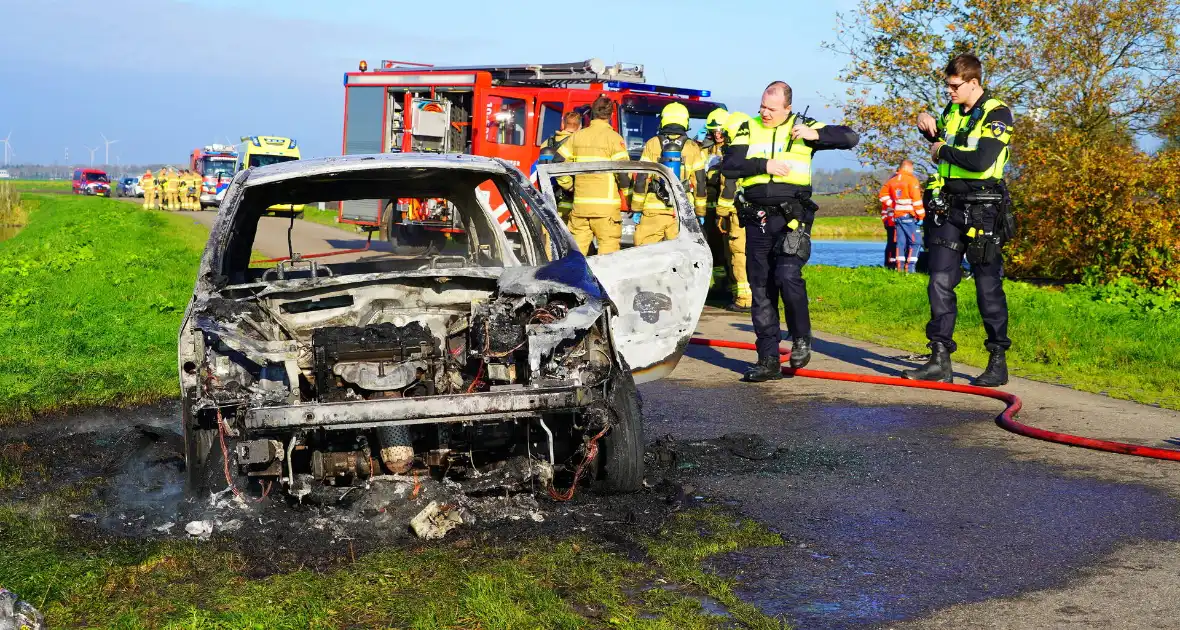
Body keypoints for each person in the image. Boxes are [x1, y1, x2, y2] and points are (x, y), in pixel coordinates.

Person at [722, 81, 859, 382]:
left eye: (771, 109)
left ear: (787, 108)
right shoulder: (748, 127)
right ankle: (768, 359)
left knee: (787, 276)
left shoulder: (803, 126)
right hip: (756, 219)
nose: (764, 113)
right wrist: (764, 164)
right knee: (761, 290)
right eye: (762, 106)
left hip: (791, 218)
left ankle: (801, 338)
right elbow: (730, 166)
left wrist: (817, 135)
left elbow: (850, 137)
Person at [902, 53, 1015, 387]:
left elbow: (981, 159)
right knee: (939, 281)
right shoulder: (952, 110)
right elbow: (943, 141)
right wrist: (925, 124)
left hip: (984, 209)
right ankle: (939, 357)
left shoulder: (998, 113)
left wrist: (940, 151)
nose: (949, 91)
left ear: (973, 83)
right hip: (949, 206)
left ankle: (997, 360)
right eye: (947, 85)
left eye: (954, 86)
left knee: (987, 285)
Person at [554, 96, 632, 255]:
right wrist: (628, 195)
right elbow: (623, 174)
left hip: (580, 208)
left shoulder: (577, 136)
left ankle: (572, 281)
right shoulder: (614, 139)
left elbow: (557, 161)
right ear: (610, 115)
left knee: (575, 257)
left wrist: (568, 185)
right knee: (608, 258)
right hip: (606, 211)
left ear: (592, 114)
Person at [630, 102, 707, 245]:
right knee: (680, 256)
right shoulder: (692, 147)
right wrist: (700, 211)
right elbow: (700, 182)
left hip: (653, 211)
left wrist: (636, 208)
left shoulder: (652, 143)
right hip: (681, 211)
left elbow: (642, 178)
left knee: (646, 255)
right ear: (686, 121)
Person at [710, 110, 754, 311]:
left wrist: (720, 213)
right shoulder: (756, 151)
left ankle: (744, 299)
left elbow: (729, 186)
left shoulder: (735, 155)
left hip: (738, 213)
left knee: (739, 252)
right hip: (756, 211)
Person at [878, 160, 925, 272]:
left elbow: (882, 196)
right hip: (909, 215)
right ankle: (910, 268)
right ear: (908, 168)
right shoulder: (912, 180)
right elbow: (917, 200)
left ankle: (899, 267)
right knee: (916, 242)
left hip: (897, 216)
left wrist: (894, 204)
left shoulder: (892, 181)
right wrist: (921, 216)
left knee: (900, 242)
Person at [534, 111, 582, 219]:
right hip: (569, 198)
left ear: (563, 124)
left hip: (548, 197)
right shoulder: (577, 143)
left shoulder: (548, 142)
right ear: (579, 127)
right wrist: (570, 186)